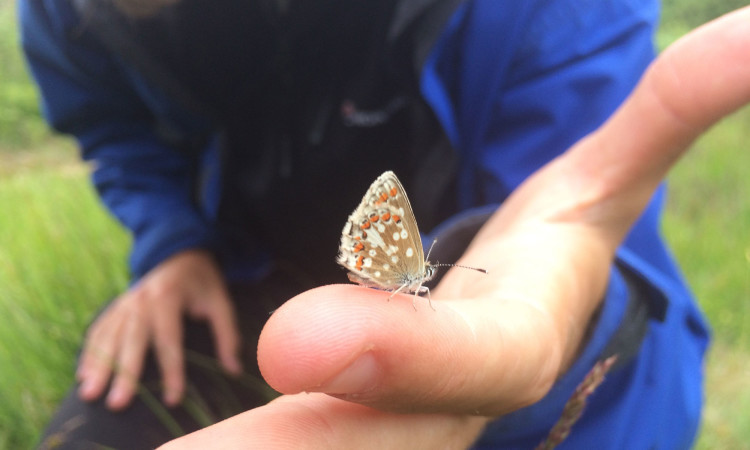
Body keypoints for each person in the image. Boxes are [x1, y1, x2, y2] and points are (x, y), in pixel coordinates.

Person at [20, 0, 750, 447]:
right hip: (239, 286)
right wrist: (173, 245)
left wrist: (557, 333)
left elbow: (581, 238)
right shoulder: (68, 14)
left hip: (524, 347)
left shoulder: (553, 14)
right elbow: (113, 132)